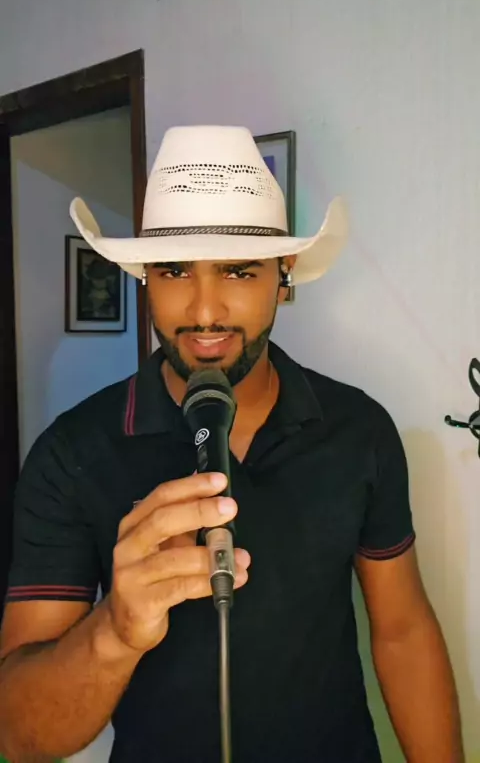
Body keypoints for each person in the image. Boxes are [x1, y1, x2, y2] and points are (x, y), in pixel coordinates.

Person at [0, 126, 463, 763]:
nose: (205, 311)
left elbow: (403, 630)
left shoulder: (359, 429)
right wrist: (115, 632)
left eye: (239, 270)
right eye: (174, 271)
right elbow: (17, 735)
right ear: (145, 278)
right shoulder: (70, 455)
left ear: (283, 276)